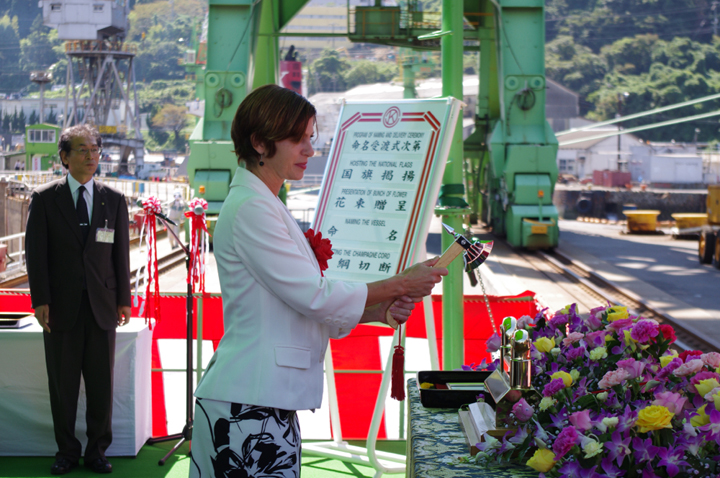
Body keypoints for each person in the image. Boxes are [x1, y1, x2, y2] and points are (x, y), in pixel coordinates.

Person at [189, 85, 447, 478]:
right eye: (298, 139)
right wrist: (400, 284)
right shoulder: (252, 208)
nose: (310, 150)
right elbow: (313, 295)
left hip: (258, 397)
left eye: (310, 138)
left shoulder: (261, 202)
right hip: (248, 402)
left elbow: (297, 304)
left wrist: (377, 311)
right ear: (259, 143)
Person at [25, 124, 132, 475]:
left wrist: (124, 299)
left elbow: (120, 255)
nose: (91, 156)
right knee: (63, 386)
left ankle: (97, 451)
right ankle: (66, 452)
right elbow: (35, 255)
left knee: (102, 386)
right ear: (64, 157)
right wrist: (40, 299)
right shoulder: (45, 198)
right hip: (60, 308)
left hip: (102, 306)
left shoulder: (113, 199)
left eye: (95, 149)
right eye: (82, 150)